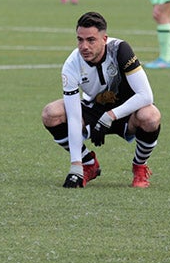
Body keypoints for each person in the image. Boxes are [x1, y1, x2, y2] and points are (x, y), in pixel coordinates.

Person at [41, 11, 161, 189]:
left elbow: (145, 95)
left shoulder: (120, 50)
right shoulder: (71, 65)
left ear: (104, 39)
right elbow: (74, 117)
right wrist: (76, 166)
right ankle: (88, 163)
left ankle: (139, 166)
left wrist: (110, 115)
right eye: (80, 40)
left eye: (91, 40)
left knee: (151, 115)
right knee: (51, 113)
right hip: (94, 109)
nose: (84, 46)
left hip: (126, 112)